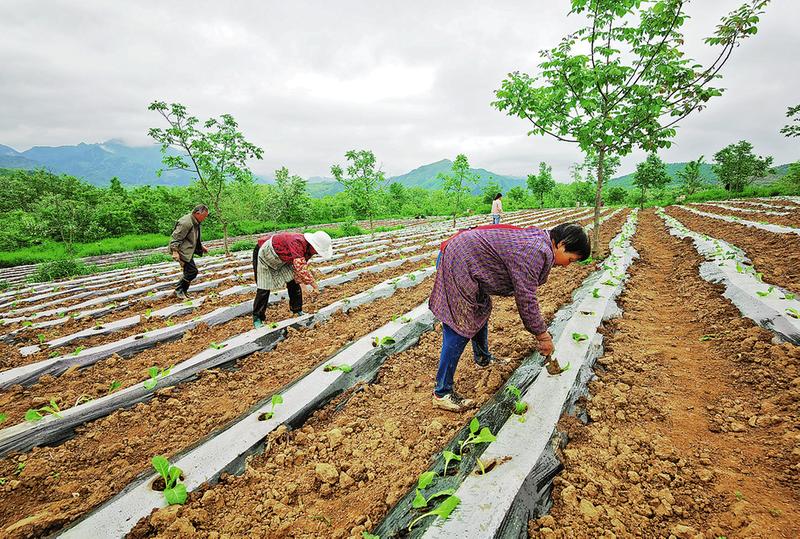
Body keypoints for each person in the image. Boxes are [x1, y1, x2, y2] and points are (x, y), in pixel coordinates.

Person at [428, 222, 590, 412]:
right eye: (570, 259)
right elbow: (526, 299)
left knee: (480, 310)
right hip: (460, 259)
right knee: (460, 325)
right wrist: (542, 336)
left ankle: (483, 358)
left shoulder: (541, 244)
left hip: (469, 257)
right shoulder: (536, 252)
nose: (567, 265)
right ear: (561, 245)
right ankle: (442, 393)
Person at [251, 231, 333, 328]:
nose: (316, 252)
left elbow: (299, 269)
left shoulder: (309, 250)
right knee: (264, 286)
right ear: (313, 244)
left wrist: (302, 284)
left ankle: (297, 309)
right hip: (265, 253)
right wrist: (315, 286)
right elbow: (301, 268)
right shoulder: (297, 242)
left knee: (293, 282)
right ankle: (257, 317)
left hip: (282, 259)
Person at [169, 205, 209, 300]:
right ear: (197, 213)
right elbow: (176, 238)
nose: (205, 218)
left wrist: (201, 246)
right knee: (192, 271)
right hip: (181, 250)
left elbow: (192, 236)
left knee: (189, 271)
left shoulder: (194, 221)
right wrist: (175, 252)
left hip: (187, 250)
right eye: (204, 216)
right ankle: (178, 290)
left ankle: (182, 292)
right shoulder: (186, 222)